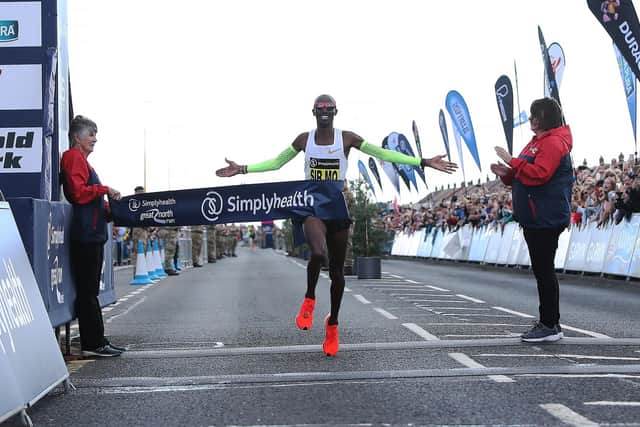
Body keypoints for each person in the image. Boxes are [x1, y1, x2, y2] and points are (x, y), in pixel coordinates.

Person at [216, 94, 457, 356]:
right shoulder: (303, 140)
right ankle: (309, 299)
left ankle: (333, 324)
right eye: (320, 108)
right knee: (318, 253)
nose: (324, 112)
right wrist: (242, 169)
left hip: (336, 205)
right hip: (311, 206)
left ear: (335, 112)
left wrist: (422, 162)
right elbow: (276, 163)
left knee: (337, 273)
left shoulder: (347, 138)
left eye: (328, 108)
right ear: (313, 112)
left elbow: (382, 153)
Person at [491, 97, 573, 343]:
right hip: (536, 215)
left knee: (544, 270)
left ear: (543, 117)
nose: (530, 119)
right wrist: (508, 174)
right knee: (542, 270)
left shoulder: (553, 142)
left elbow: (540, 174)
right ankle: (549, 321)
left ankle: (549, 324)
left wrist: (511, 161)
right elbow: (524, 174)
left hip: (545, 216)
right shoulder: (538, 142)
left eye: (533, 115)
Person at [61, 115, 126, 357]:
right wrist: (105, 189)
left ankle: (97, 339)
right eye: (91, 134)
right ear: (77, 137)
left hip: (93, 233)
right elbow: (78, 194)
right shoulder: (73, 157)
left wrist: (113, 211)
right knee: (88, 292)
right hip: (86, 235)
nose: (95, 139)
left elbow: (90, 200)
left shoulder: (82, 161)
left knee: (90, 292)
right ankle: (92, 343)